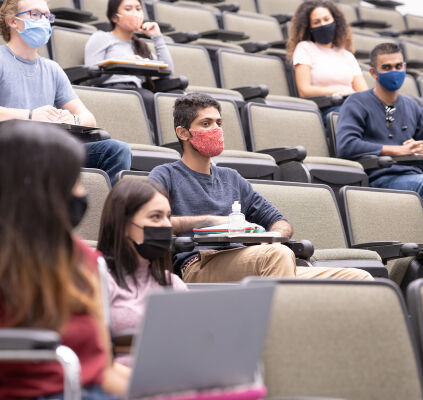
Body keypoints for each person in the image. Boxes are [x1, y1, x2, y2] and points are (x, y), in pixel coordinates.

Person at [148, 92, 372, 282]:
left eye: (219, 123)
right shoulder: (165, 174)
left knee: (359, 279)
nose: (216, 129)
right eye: (206, 124)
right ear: (183, 133)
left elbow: (280, 221)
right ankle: (279, 332)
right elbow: (150, 221)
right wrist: (210, 221)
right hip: (198, 264)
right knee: (277, 255)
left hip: (253, 258)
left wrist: (272, 235)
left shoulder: (231, 178)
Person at [0, 120, 129, 398]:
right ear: (39, 191)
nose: (82, 194)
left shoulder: (84, 258)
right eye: (75, 183)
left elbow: (103, 371)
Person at [0, 0, 132, 185]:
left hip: (48, 149)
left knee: (117, 150)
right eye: (35, 14)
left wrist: (71, 120)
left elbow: (88, 118)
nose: (44, 20)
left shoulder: (52, 69)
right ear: (12, 21)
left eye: (47, 16)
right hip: (9, 148)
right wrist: (30, 115)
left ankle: (108, 213)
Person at [336, 42, 423, 214]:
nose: (394, 72)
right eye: (387, 67)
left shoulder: (412, 106)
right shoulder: (356, 102)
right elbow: (347, 145)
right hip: (380, 179)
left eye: (398, 66)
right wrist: (398, 150)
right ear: (373, 72)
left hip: (414, 175)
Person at [97, 178, 187, 366]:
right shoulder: (99, 279)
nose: (166, 225)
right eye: (155, 217)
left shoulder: (172, 283)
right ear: (123, 224)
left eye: (167, 217)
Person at [84, 0, 175, 129]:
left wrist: (157, 37)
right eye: (128, 9)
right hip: (109, 91)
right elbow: (92, 75)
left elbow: (168, 71)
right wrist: (121, 62)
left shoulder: (140, 46)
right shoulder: (101, 38)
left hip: (137, 92)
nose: (135, 13)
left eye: (138, 9)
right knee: (146, 97)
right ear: (115, 17)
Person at [287, 0, 368, 125]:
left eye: (326, 19)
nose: (323, 24)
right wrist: (336, 90)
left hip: (353, 107)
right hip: (328, 109)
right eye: (316, 22)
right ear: (310, 27)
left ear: (335, 22)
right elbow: (304, 90)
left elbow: (363, 92)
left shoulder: (347, 55)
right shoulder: (304, 48)